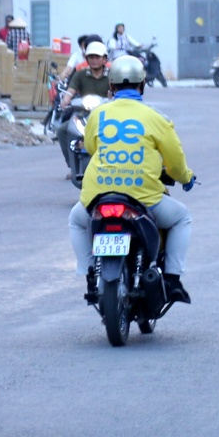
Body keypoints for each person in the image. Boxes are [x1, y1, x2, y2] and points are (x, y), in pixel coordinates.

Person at [69, 55, 196, 304]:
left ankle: (88, 274)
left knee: (76, 220)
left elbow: (93, 148)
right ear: (143, 84)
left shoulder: (98, 115)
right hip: (143, 198)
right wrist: (186, 179)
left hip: (97, 197)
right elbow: (175, 161)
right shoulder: (156, 118)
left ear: (111, 87)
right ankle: (172, 279)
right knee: (182, 218)